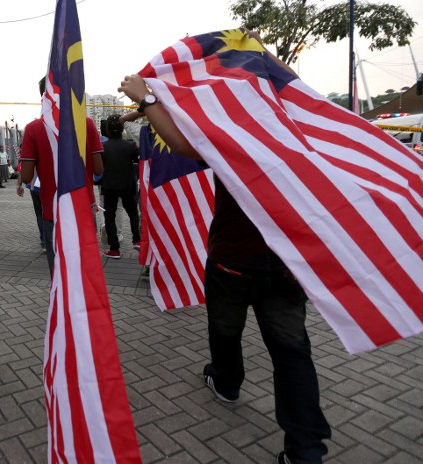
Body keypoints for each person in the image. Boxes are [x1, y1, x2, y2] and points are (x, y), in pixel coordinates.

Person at [118, 32, 330, 464]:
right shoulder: (297, 129)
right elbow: (295, 85)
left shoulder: (234, 135)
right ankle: (305, 449)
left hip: (233, 260)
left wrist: (147, 97)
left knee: (225, 331)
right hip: (287, 262)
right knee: (292, 352)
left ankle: (228, 383)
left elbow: (181, 143)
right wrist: (260, 52)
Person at [20, 76, 104, 274]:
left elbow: (26, 177)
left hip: (53, 210)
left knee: (58, 271)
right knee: (85, 269)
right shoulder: (87, 123)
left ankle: (62, 304)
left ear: (44, 96)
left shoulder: (33, 129)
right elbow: (99, 170)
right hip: (84, 207)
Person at [100, 114, 141, 259]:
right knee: (133, 213)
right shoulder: (130, 146)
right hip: (128, 185)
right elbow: (140, 159)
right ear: (122, 128)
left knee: (110, 216)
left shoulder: (102, 147)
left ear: (107, 130)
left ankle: (114, 249)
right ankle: (137, 239)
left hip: (109, 186)